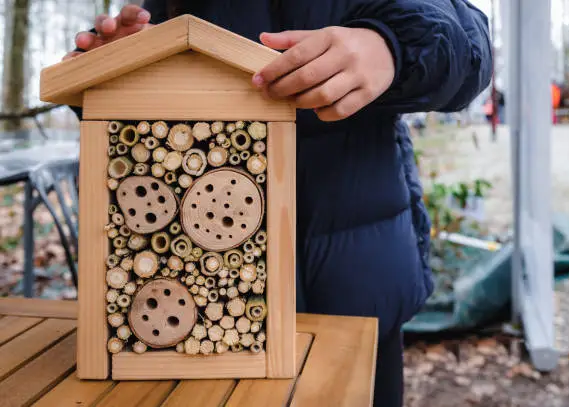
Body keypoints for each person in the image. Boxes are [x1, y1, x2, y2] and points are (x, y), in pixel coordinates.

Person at [64, 2, 492, 405]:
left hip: (354, 292)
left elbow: (471, 46)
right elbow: (159, 76)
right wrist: (121, 69)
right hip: (205, 302)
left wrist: (391, 46)